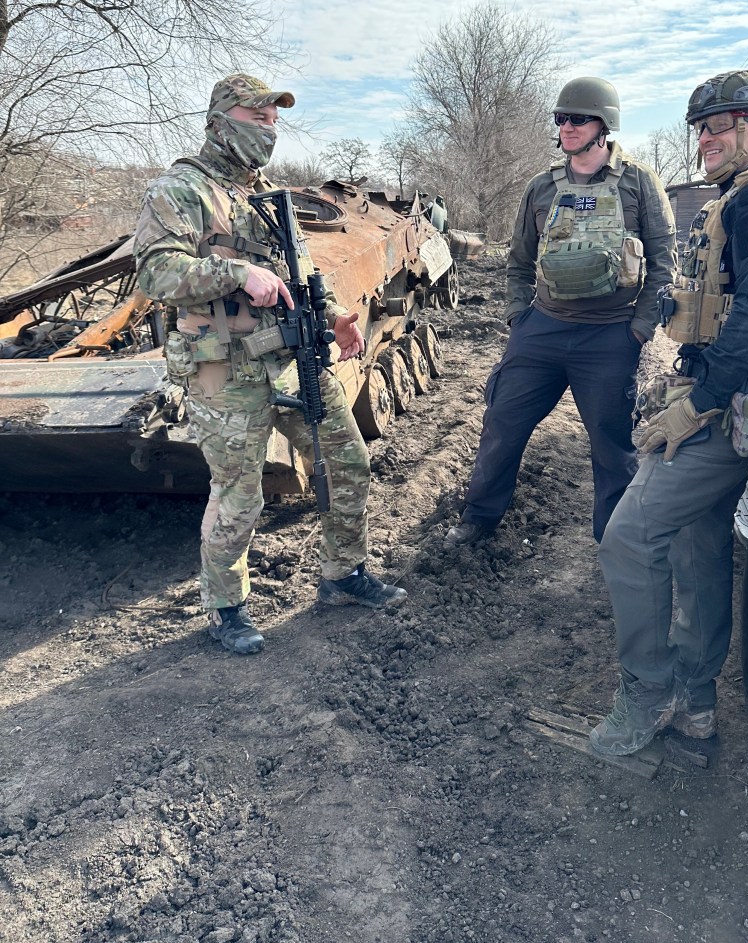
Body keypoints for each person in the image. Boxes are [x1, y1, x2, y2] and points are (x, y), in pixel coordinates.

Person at [591, 70, 748, 756]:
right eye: (700, 128)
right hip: (730, 397)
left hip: (726, 407)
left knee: (630, 538)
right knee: (697, 549)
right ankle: (694, 706)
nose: (702, 141)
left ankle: (646, 695)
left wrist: (693, 405)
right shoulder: (746, 198)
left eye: (716, 126)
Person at [134, 74, 407, 657]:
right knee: (239, 491)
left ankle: (343, 572)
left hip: (290, 355)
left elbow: (300, 277)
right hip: (225, 370)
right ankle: (226, 608)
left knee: (347, 460)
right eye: (257, 118)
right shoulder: (181, 190)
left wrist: (334, 315)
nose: (269, 130)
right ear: (220, 121)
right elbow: (156, 274)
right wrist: (238, 274)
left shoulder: (270, 198)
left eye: (273, 121)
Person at [444, 77, 677, 547]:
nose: (566, 126)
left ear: (604, 125)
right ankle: (477, 520)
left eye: (578, 118)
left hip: (610, 337)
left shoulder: (638, 183)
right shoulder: (541, 187)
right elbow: (518, 262)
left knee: (611, 446)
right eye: (560, 118)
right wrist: (519, 319)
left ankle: (612, 540)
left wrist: (638, 330)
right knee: (502, 426)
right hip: (542, 331)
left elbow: (664, 263)